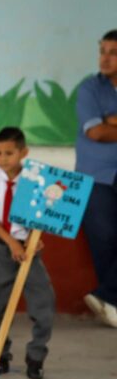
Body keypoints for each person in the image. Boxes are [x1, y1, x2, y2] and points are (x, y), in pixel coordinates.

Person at [0, 126, 54, 379]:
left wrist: (33, 239)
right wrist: (11, 243)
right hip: (1, 248)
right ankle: (0, 355)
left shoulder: (36, 181)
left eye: (9, 152)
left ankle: (36, 356)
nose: (3, 158)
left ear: (24, 152)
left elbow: (42, 214)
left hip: (29, 250)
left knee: (44, 302)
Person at [77, 29, 117, 328]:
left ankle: (106, 297)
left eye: (113, 52)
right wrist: (105, 124)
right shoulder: (89, 88)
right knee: (103, 240)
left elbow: (107, 128)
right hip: (97, 175)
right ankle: (111, 304)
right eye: (102, 51)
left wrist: (112, 120)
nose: (105, 58)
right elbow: (96, 132)